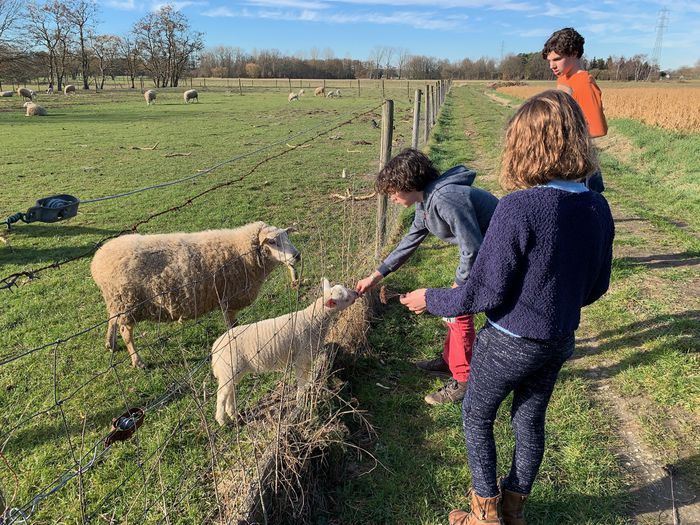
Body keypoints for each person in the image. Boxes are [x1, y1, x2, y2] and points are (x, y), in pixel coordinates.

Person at [400, 90, 614, 524]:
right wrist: (556, 301)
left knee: (476, 414)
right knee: (529, 420)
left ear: (523, 145)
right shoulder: (596, 205)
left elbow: (483, 293)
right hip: (558, 340)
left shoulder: (519, 206)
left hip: (510, 341)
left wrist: (430, 298)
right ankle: (514, 508)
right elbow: (596, 286)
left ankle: (485, 513)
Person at [356, 148, 498, 405]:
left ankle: (465, 379)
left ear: (407, 183)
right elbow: (408, 243)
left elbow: (473, 247)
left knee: (459, 309)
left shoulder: (445, 199)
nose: (391, 197)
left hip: (500, 252)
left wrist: (460, 284)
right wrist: (375, 276)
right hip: (484, 252)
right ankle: (448, 361)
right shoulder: (426, 203)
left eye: (392, 190)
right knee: (453, 308)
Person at [543, 27, 607, 193]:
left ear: (574, 53)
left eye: (556, 59)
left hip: (579, 158)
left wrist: (568, 136)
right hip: (563, 153)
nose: (552, 65)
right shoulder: (564, 78)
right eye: (549, 61)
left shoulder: (584, 83)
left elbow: (598, 128)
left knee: (585, 205)